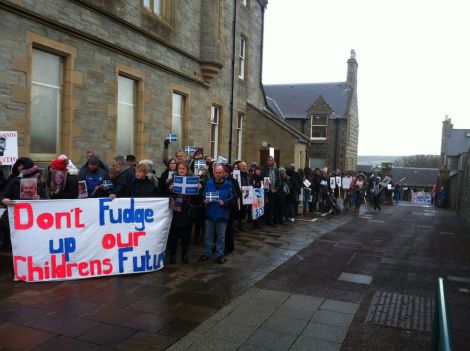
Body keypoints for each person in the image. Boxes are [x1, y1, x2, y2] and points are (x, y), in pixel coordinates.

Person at [1, 159, 45, 250]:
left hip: (32, 216)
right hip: (14, 214)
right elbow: (3, 195)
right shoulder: (14, 182)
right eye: (34, 173)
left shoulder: (38, 184)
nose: (36, 175)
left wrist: (39, 199)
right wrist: (4, 200)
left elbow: (46, 200)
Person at [199, 165, 234, 264]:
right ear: (213, 173)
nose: (218, 174)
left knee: (221, 236)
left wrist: (225, 203)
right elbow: (203, 195)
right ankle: (207, 253)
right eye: (216, 173)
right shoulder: (209, 183)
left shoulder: (228, 184)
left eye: (219, 173)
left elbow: (233, 198)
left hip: (222, 214)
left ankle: (219, 254)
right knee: (208, 236)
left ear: (223, 173)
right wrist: (204, 200)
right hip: (210, 213)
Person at [167, 161, 200, 264]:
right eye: (179, 168)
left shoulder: (192, 180)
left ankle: (184, 255)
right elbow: (164, 194)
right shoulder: (173, 180)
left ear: (187, 170)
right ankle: (173, 255)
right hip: (175, 212)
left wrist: (199, 189)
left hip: (187, 212)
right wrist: (169, 189)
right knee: (173, 235)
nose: (181, 170)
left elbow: (197, 199)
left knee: (186, 235)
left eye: (183, 169)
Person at [262, 156, 280, 225]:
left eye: (271, 160)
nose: (270, 161)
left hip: (273, 190)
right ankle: (264, 220)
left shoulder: (276, 170)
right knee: (265, 206)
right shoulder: (264, 169)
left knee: (271, 206)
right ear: (267, 161)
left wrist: (276, 188)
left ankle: (270, 220)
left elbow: (278, 180)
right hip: (266, 190)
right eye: (269, 160)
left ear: (273, 161)